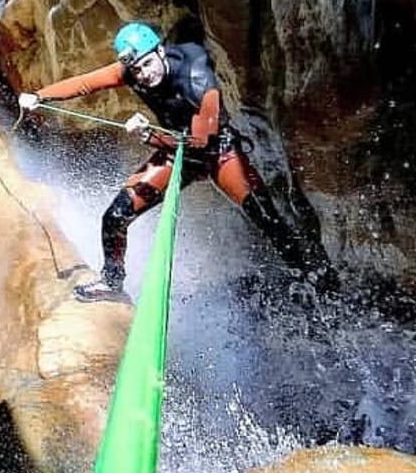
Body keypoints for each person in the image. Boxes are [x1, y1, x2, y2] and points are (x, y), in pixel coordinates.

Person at [19, 22, 336, 302]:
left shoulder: (198, 79)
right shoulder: (134, 70)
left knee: (267, 217)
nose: (144, 75)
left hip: (217, 153)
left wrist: (149, 137)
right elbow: (88, 82)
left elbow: (201, 142)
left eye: (146, 65)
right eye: (137, 71)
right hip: (176, 153)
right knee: (114, 217)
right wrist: (39, 96)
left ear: (160, 50)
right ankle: (112, 281)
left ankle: (311, 276)